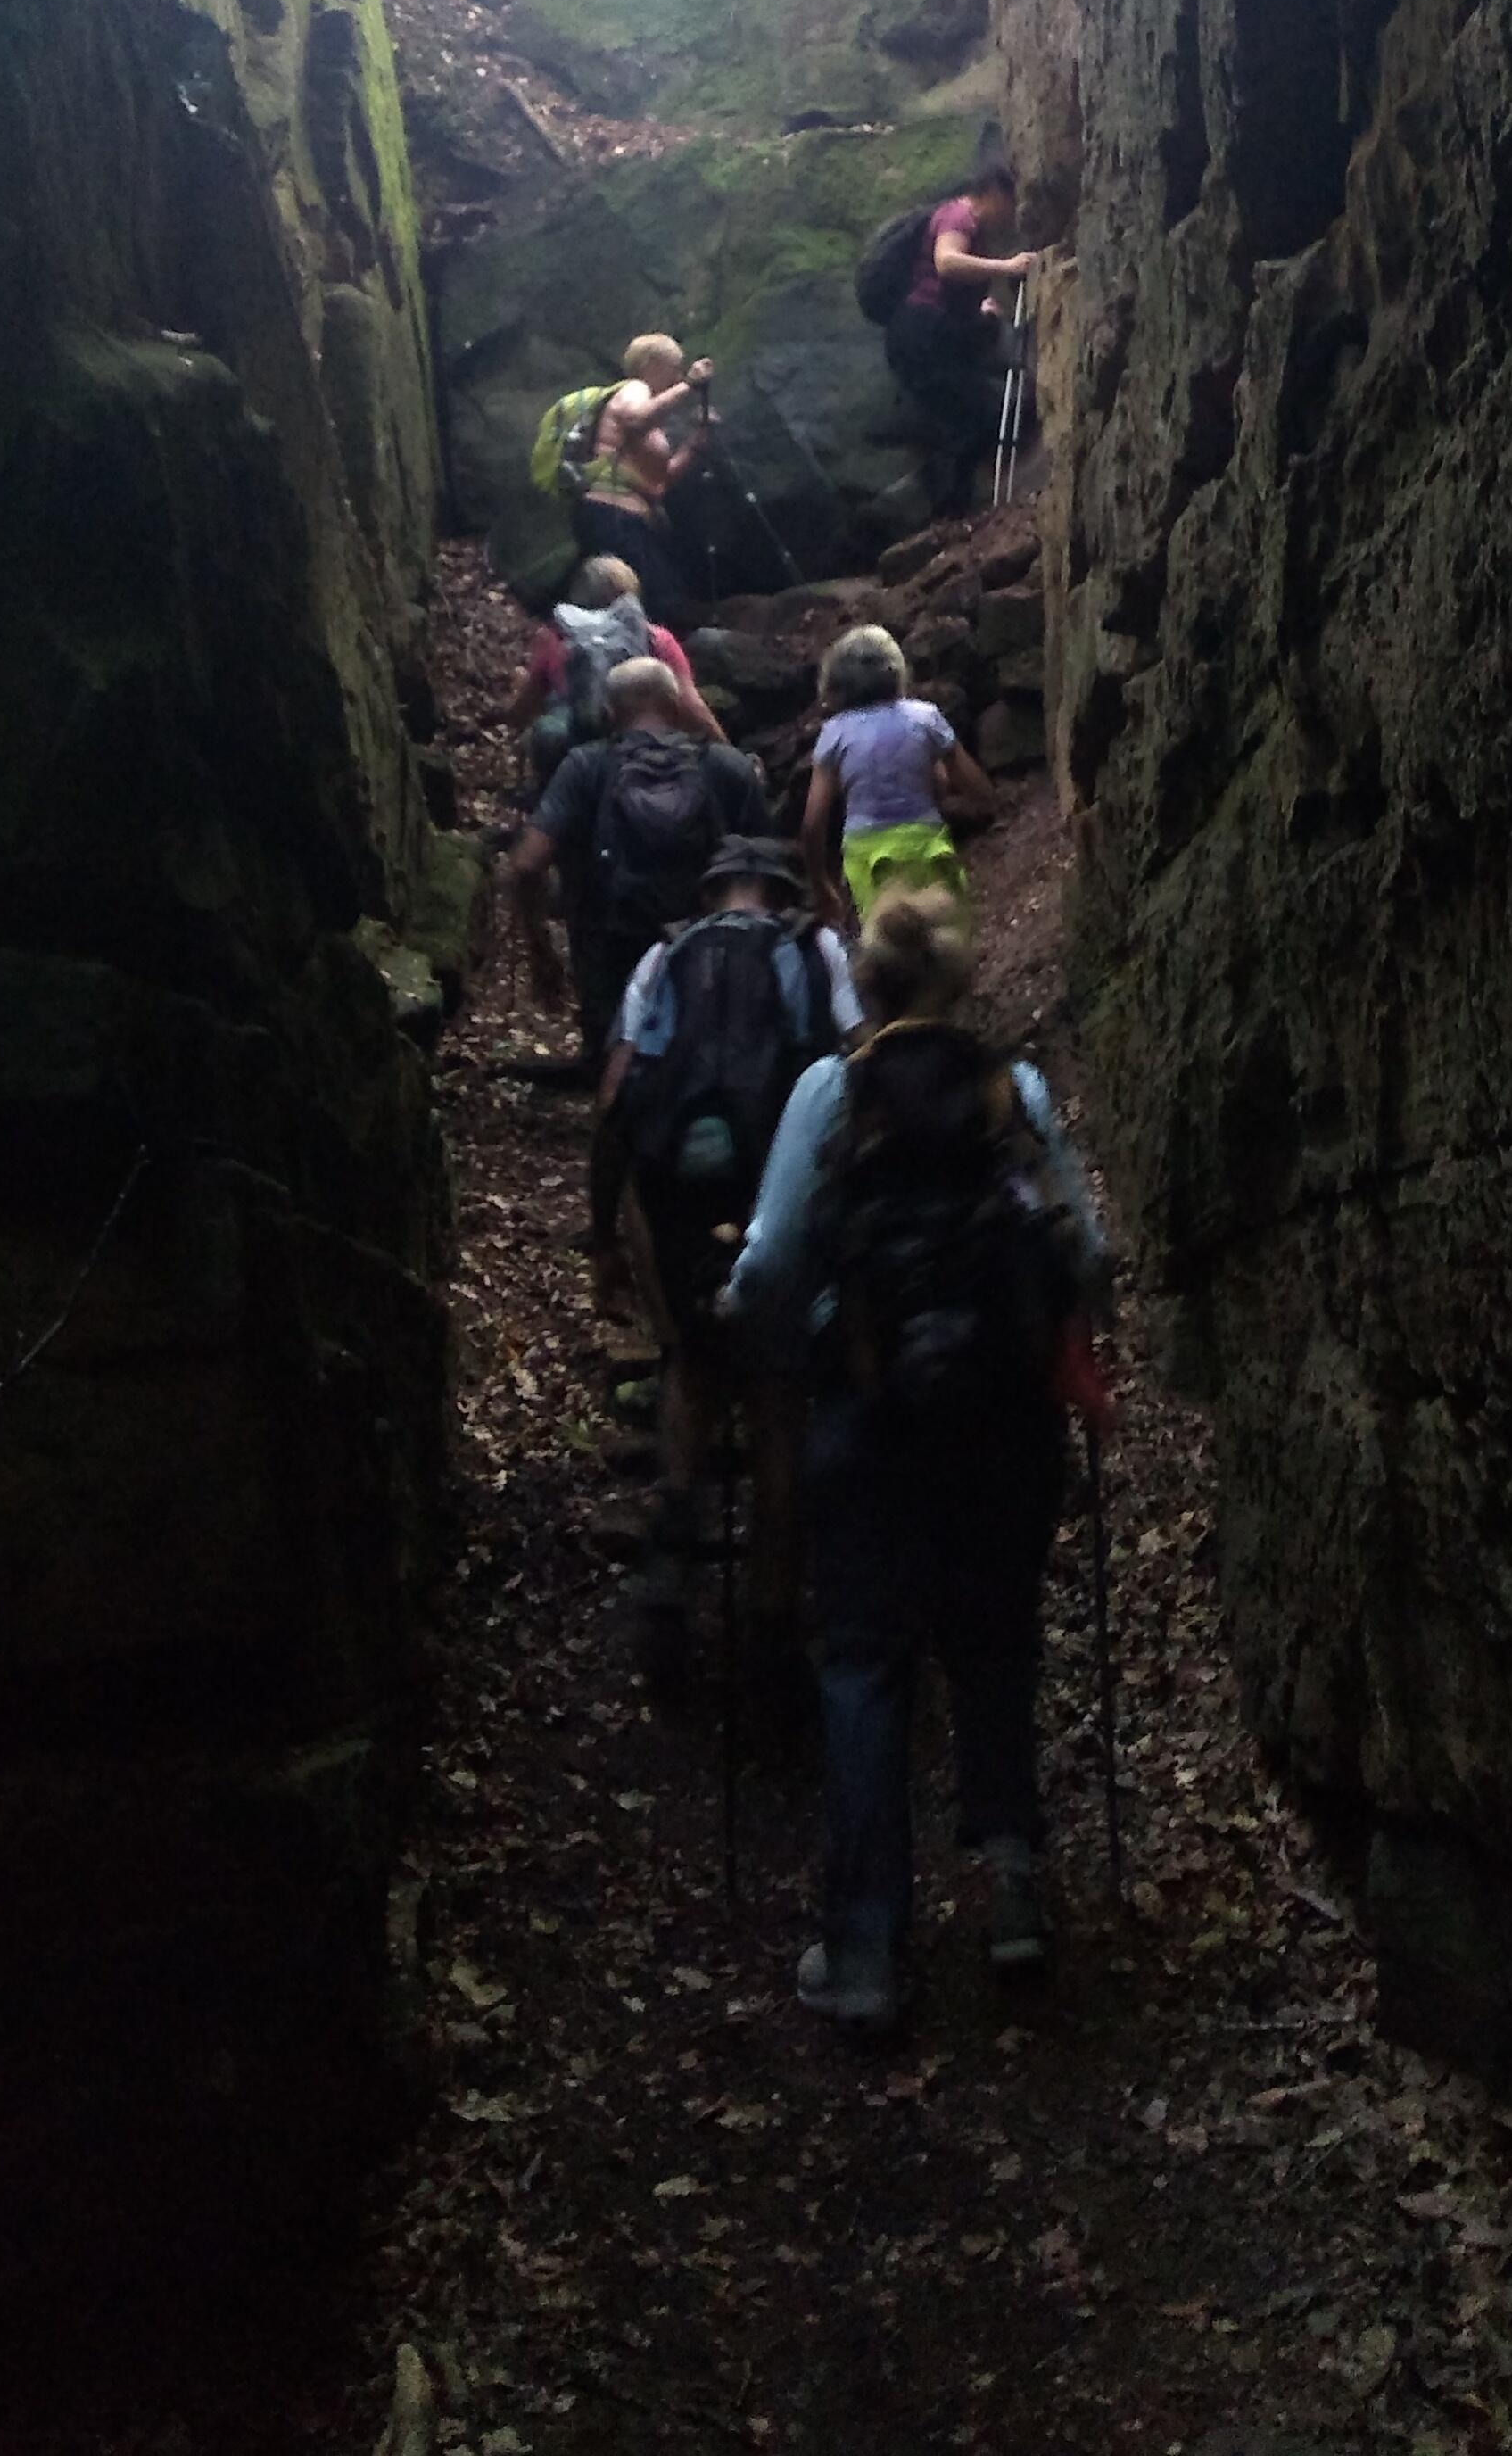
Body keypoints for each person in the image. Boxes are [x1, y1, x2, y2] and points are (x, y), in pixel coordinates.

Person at [722, 888, 1107, 2035]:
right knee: (995, 1633)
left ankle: (864, 1947)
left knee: (862, 1656)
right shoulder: (1010, 1090)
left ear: (867, 984)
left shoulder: (828, 1092)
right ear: (955, 980)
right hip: (1002, 1418)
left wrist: (771, 1337)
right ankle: (1012, 1894)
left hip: (871, 1412)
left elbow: (772, 1263)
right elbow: (1084, 1248)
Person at [596, 836, 862, 1693]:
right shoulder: (816, 949)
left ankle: (670, 1570)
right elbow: (859, 1057)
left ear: (712, 891)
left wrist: (608, 1233)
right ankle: (774, 1625)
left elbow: (618, 1092)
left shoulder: (663, 955)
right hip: (781, 1175)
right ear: (780, 890)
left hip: (679, 1186)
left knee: (689, 1359)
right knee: (779, 1391)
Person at [503, 657, 770, 1071]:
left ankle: (606, 1066)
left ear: (609, 713)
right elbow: (768, 866)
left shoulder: (585, 767)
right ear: (677, 707)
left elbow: (525, 865)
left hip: (612, 949)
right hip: (711, 953)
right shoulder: (729, 767)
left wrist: (542, 953)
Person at [803, 624, 997, 926]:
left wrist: (821, 886)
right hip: (925, 843)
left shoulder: (834, 732)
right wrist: (986, 804)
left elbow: (813, 823)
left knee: (885, 940)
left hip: (867, 855)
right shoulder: (925, 717)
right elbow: (977, 790)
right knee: (944, 932)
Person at [885, 163, 1036, 519]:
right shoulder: (959, 215)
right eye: (1011, 201)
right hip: (922, 336)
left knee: (966, 417)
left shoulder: (971, 226)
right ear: (994, 192)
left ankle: (953, 515)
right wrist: (1008, 267)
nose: (1012, 213)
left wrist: (977, 307)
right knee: (974, 416)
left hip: (930, 336)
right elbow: (947, 263)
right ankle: (950, 517)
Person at [503, 556, 729, 785]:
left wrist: (510, 710)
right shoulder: (656, 638)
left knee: (545, 732)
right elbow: (692, 708)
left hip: (579, 760)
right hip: (645, 755)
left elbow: (526, 707)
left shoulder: (554, 636)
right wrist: (729, 755)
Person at [574, 334, 716, 626]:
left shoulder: (651, 413)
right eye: (674, 368)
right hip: (612, 516)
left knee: (660, 599)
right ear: (651, 364)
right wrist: (689, 385)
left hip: (626, 520)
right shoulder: (634, 388)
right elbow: (636, 418)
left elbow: (660, 484)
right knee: (658, 602)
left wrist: (694, 445)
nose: (677, 376)